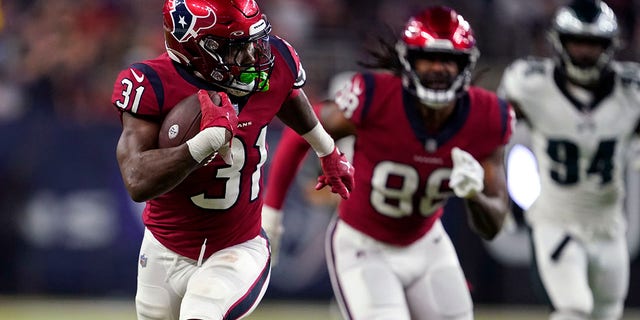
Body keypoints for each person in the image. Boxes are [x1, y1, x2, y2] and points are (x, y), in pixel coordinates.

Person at [263, 6, 514, 320]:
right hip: (364, 245)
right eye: (428, 58)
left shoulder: (488, 116)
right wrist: (271, 215)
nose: (439, 69)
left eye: (450, 60)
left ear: (466, 64)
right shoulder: (375, 96)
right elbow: (301, 131)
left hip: (427, 243)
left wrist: (474, 193)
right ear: (408, 60)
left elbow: (494, 224)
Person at [110, 0, 354, 319]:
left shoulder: (272, 64)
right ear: (195, 46)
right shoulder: (151, 83)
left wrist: (326, 149)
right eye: (235, 47)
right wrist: (203, 144)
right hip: (162, 251)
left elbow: (289, 96)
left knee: (202, 313)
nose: (253, 57)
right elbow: (137, 181)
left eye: (253, 42)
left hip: (238, 247)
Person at [498, 0, 639, 319]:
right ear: (559, 43)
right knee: (573, 309)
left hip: (609, 227)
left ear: (610, 46)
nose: (585, 52)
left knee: (606, 314)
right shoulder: (531, 84)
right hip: (556, 222)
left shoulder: (632, 91)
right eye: (577, 42)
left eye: (593, 43)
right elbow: (493, 130)